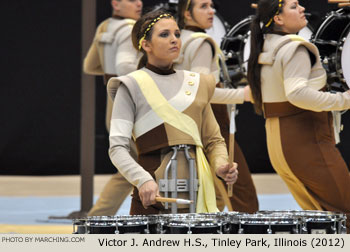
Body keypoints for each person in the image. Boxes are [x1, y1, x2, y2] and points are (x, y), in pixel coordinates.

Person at [107, 10, 238, 214]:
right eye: (164, 35)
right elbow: (117, 148)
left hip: (198, 193)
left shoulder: (198, 83)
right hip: (153, 195)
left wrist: (221, 165)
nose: (174, 40)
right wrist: (142, 180)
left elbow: (213, 140)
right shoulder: (130, 85)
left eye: (177, 34)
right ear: (146, 45)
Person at [248, 0, 350, 230]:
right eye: (294, 6)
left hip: (279, 143)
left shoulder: (266, 45)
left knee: (322, 217)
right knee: (345, 212)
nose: (303, 8)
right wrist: (344, 99)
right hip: (306, 141)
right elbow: (297, 94)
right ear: (279, 18)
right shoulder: (296, 47)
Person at [175, 0, 259, 213]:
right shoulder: (202, 42)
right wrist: (242, 94)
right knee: (243, 198)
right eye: (203, 6)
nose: (211, 11)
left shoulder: (178, 40)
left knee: (211, 198)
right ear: (186, 13)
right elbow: (202, 92)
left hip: (185, 124)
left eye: (211, 6)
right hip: (212, 125)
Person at [83, 0, 143, 216]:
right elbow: (125, 67)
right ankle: (96, 219)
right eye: (132, 0)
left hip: (113, 104)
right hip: (130, 104)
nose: (139, 4)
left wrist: (110, 73)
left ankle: (97, 218)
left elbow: (90, 66)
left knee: (131, 165)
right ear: (115, 3)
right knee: (135, 165)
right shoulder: (130, 29)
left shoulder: (105, 27)